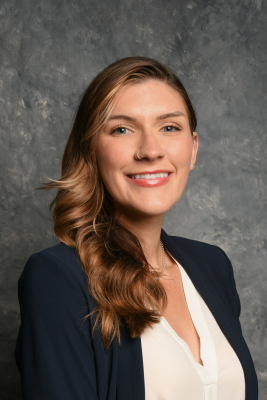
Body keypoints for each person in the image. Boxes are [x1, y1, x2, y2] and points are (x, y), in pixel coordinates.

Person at [15, 57, 258, 400]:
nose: (151, 150)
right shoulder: (58, 279)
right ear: (91, 151)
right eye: (122, 129)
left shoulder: (213, 265)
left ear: (193, 148)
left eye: (169, 127)